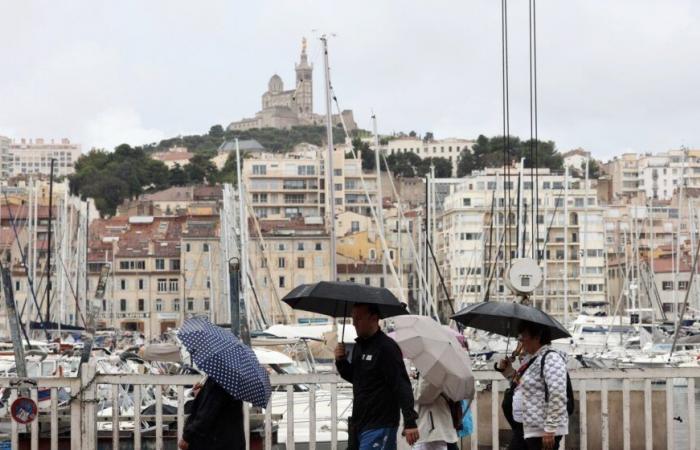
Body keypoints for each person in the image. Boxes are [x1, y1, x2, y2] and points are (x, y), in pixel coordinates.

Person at [335, 303, 420, 450]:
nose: (354, 323)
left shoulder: (387, 348)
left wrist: (410, 421)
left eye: (359, 318)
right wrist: (341, 361)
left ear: (374, 318)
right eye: (353, 319)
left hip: (381, 424)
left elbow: (401, 384)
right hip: (360, 423)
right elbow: (356, 378)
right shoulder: (359, 346)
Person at [499, 322, 568, 450]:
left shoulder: (551, 358)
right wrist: (507, 371)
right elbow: (522, 385)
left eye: (523, 336)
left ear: (537, 337)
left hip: (541, 430)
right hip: (527, 427)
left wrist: (550, 429)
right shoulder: (532, 358)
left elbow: (557, 393)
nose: (520, 340)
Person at [179, 377, 245, 450]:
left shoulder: (217, 381)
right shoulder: (233, 383)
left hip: (217, 443)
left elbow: (205, 416)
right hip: (234, 442)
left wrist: (187, 437)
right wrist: (203, 393)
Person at [413, 376, 458, 450]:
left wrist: (411, 387)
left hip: (433, 430)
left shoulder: (433, 371)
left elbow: (423, 395)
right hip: (437, 429)